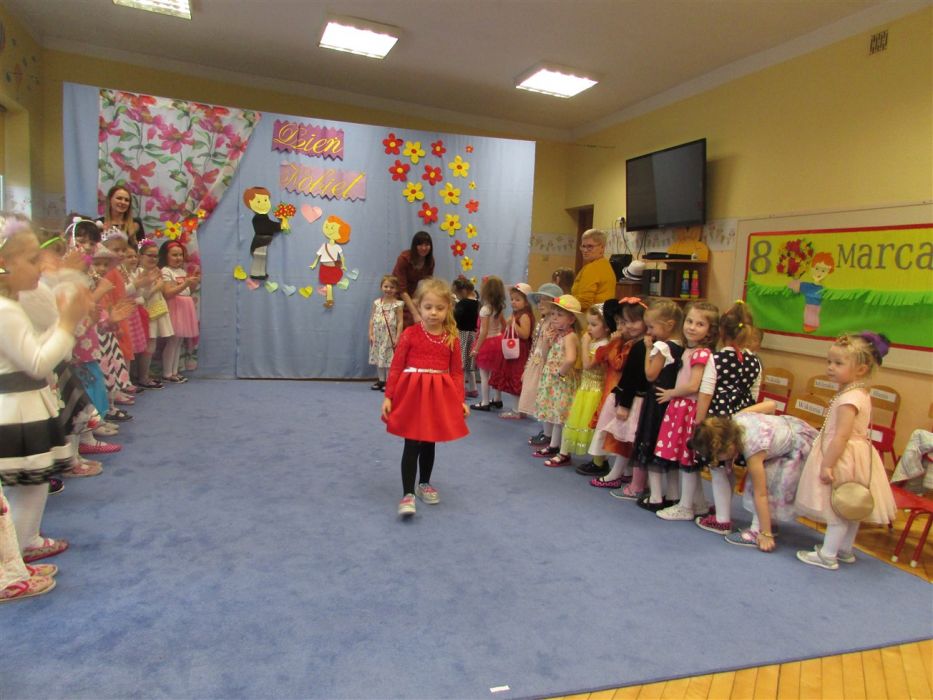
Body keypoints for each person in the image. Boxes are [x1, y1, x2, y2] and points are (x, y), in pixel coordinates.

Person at [0, 212, 92, 573]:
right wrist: (67, 324)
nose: (41, 267)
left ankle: (26, 543)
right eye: (32, 259)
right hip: (17, 409)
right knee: (26, 486)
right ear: (4, 265)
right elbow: (37, 362)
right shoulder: (6, 311)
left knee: (32, 484)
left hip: (25, 405)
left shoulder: (12, 306)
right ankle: (15, 557)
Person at [795, 332, 896, 570]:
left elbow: (841, 435)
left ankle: (828, 554)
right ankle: (844, 549)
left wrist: (827, 464)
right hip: (857, 455)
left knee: (837, 507)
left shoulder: (848, 398)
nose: (830, 367)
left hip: (842, 455)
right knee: (851, 504)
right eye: (829, 361)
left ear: (861, 369)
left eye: (838, 363)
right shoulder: (859, 392)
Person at [381, 277, 469, 517]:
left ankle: (424, 483)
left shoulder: (451, 337)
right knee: (412, 442)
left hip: (437, 395)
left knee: (430, 440)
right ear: (418, 306)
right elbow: (396, 367)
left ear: (448, 308)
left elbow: (457, 372)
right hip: (412, 394)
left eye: (440, 308)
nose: (433, 313)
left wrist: (460, 400)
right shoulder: (410, 334)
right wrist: (389, 396)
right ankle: (407, 493)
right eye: (428, 307)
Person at [692, 406, 817, 552]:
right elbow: (771, 404)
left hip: (798, 448)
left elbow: (761, 494)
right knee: (765, 481)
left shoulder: (753, 449)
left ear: (728, 448)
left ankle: (759, 531)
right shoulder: (737, 419)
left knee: (762, 486)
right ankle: (768, 523)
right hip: (795, 430)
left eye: (718, 457)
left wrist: (766, 534)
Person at [693, 301, 762, 534]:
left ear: (721, 332)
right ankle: (724, 509)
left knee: (718, 468)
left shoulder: (717, 359)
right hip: (743, 421)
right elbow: (754, 394)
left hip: (719, 421)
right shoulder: (755, 361)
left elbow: (706, 393)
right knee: (730, 467)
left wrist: (699, 422)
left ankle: (722, 519)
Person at [653, 302, 719, 521]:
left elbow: (693, 385)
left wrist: (671, 393)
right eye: (690, 321)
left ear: (710, 330)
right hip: (681, 407)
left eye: (700, 324)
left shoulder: (701, 353)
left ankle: (685, 506)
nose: (692, 327)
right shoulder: (689, 350)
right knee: (685, 459)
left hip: (688, 409)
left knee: (687, 460)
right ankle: (698, 503)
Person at [626, 300, 684, 509]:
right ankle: (673, 494)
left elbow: (650, 374)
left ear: (669, 325)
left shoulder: (661, 347)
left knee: (651, 444)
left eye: (651, 327)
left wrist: (648, 349)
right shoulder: (682, 346)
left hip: (656, 401)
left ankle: (656, 496)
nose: (649, 332)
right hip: (671, 402)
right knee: (667, 448)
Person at [590, 298, 648, 488]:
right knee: (623, 438)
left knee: (623, 438)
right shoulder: (634, 343)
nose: (628, 326)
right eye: (625, 321)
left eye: (634, 321)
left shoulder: (639, 346)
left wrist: (624, 404)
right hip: (628, 396)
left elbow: (630, 376)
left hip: (631, 399)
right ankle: (625, 472)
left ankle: (616, 474)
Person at [549, 303, 611, 467]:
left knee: (593, 425)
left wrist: (584, 344)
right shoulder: (594, 341)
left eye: (594, 325)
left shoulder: (604, 345)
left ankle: (599, 462)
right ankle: (564, 453)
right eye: (588, 323)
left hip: (595, 391)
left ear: (606, 328)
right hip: (585, 388)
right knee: (573, 420)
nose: (589, 328)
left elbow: (587, 364)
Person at [531, 295, 581, 463]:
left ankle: (564, 452)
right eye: (553, 314)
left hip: (562, 381)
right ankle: (554, 445)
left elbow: (570, 359)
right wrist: (547, 340)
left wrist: (560, 373)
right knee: (555, 415)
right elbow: (546, 355)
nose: (554, 318)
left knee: (563, 416)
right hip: (554, 379)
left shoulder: (570, 336)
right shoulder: (559, 335)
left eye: (559, 315)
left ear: (571, 319)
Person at [520, 283, 562, 445]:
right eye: (539, 300)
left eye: (545, 300)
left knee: (546, 399)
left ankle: (549, 434)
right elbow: (534, 345)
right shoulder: (543, 321)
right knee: (539, 398)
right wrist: (527, 366)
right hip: (537, 362)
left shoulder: (554, 324)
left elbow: (552, 347)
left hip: (546, 364)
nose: (540, 303)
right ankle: (546, 431)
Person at [492, 282, 535, 419]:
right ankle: (519, 409)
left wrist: (514, 324)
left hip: (520, 351)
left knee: (516, 378)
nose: (513, 302)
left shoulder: (524, 315)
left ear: (526, 302)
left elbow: (525, 334)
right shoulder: (518, 314)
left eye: (517, 299)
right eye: (512, 299)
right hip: (516, 348)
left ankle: (517, 410)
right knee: (514, 377)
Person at [159, 240, 199, 383]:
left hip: (184, 307)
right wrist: (186, 283)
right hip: (175, 307)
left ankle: (174, 371)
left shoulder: (181, 271)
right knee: (173, 341)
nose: (178, 258)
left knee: (178, 341)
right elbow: (168, 293)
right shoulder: (165, 271)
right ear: (166, 256)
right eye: (174, 255)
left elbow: (187, 291)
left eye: (180, 255)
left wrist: (192, 283)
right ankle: (167, 373)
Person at [135, 238, 172, 388]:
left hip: (157, 311)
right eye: (149, 255)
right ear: (140, 256)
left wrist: (160, 284)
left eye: (156, 256)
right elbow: (141, 296)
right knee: (146, 347)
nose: (153, 259)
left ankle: (144, 376)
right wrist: (156, 285)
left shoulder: (157, 271)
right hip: (146, 313)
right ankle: (142, 377)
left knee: (151, 346)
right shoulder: (138, 273)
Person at [470, 275, 507, 411]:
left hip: (487, 343)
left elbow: (484, 331)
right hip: (498, 340)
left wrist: (476, 349)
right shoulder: (499, 307)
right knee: (496, 372)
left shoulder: (485, 309)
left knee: (484, 375)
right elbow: (504, 325)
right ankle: (497, 399)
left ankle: (485, 402)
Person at [391, 231, 435, 327]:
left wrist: (418, 299)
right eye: (420, 245)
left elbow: (427, 284)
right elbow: (401, 289)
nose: (424, 248)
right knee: (404, 322)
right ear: (414, 246)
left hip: (412, 295)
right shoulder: (404, 259)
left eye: (427, 245)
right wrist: (415, 313)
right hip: (396, 295)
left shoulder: (430, 261)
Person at [368, 274, 404, 391]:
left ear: (396, 289)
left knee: (389, 359)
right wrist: (370, 333)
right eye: (386, 286)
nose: (388, 289)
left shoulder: (398, 304)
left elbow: (400, 321)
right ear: (381, 287)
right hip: (377, 336)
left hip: (389, 337)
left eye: (392, 287)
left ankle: (389, 381)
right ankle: (381, 380)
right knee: (379, 358)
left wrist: (398, 337)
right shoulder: (377, 303)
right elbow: (372, 319)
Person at [570, 229, 616, 311]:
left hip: (590, 315)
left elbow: (584, 302)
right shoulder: (606, 265)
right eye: (583, 246)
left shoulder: (592, 268)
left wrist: (565, 303)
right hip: (603, 314)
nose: (585, 250)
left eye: (590, 246)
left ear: (602, 247)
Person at [452, 277, 479, 398]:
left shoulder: (462, 304)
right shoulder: (477, 303)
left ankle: (460, 389)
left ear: (462, 291)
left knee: (461, 363)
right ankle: (473, 389)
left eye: (457, 293)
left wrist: (453, 306)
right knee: (470, 364)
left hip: (462, 334)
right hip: (473, 335)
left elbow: (455, 318)